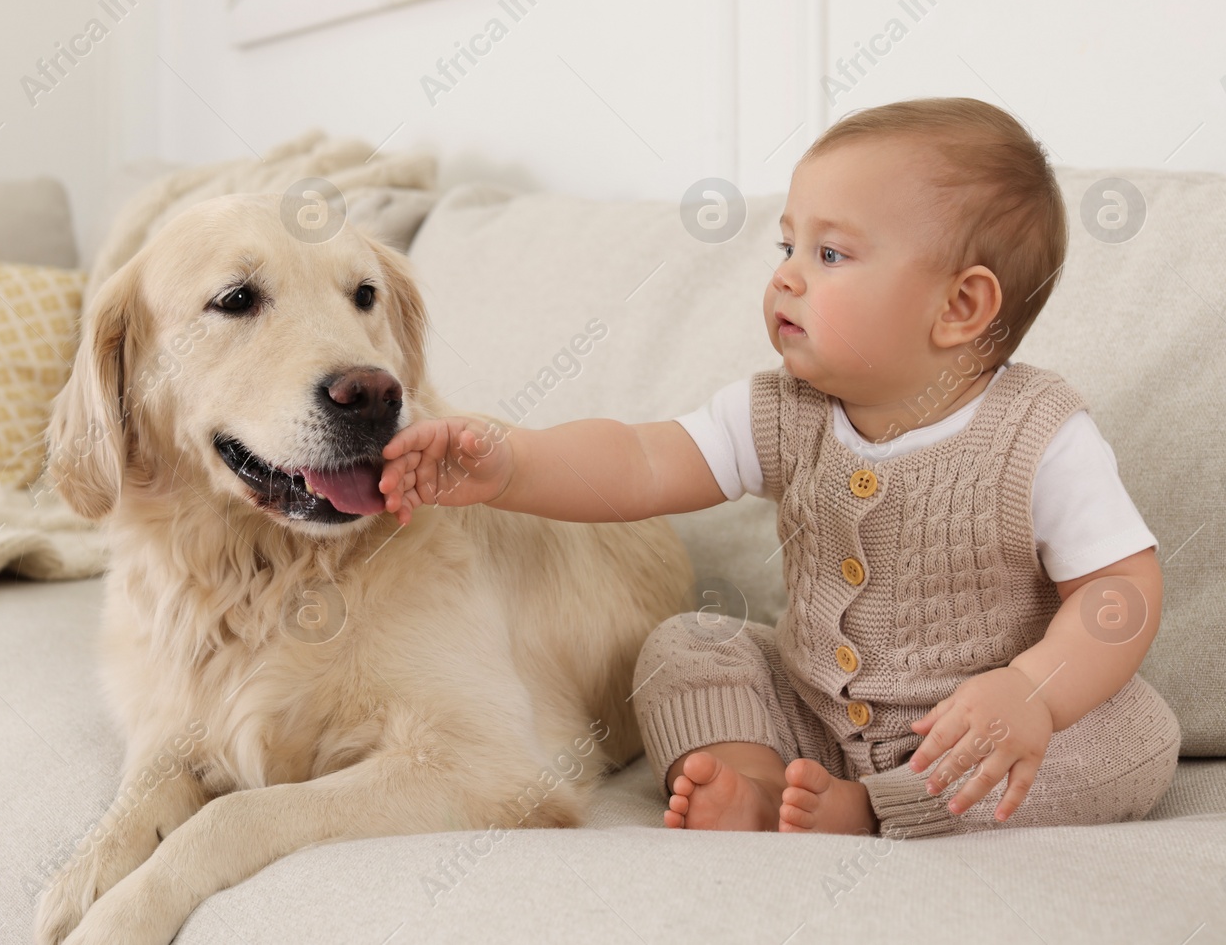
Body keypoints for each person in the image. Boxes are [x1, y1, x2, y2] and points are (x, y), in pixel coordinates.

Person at [377, 97, 1180, 838]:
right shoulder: (784, 409)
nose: (786, 274)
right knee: (686, 643)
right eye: (787, 244)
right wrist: (513, 464)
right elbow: (644, 461)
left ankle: (876, 809)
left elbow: (1120, 593)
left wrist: (1033, 694)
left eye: (830, 252)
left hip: (974, 735)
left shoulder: (1039, 435)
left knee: (1135, 736)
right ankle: (758, 783)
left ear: (960, 307)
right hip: (813, 714)